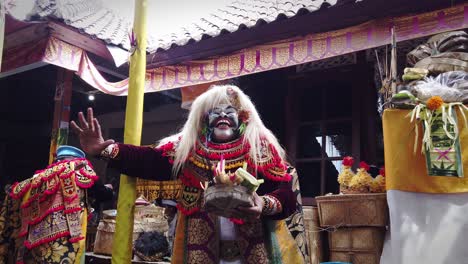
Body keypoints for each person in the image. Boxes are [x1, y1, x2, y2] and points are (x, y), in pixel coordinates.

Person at [71, 85, 305, 264]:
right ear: (205, 120)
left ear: (242, 117)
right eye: (215, 112)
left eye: (229, 111)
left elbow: (285, 192)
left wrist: (264, 204)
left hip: (254, 248)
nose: (223, 116)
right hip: (199, 247)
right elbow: (147, 160)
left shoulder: (259, 146)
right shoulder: (188, 149)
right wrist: (105, 150)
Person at [0, 145, 112, 264]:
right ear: (78, 159)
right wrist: (108, 189)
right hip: (66, 243)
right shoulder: (80, 169)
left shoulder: (41, 177)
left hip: (35, 243)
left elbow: (15, 193)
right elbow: (103, 194)